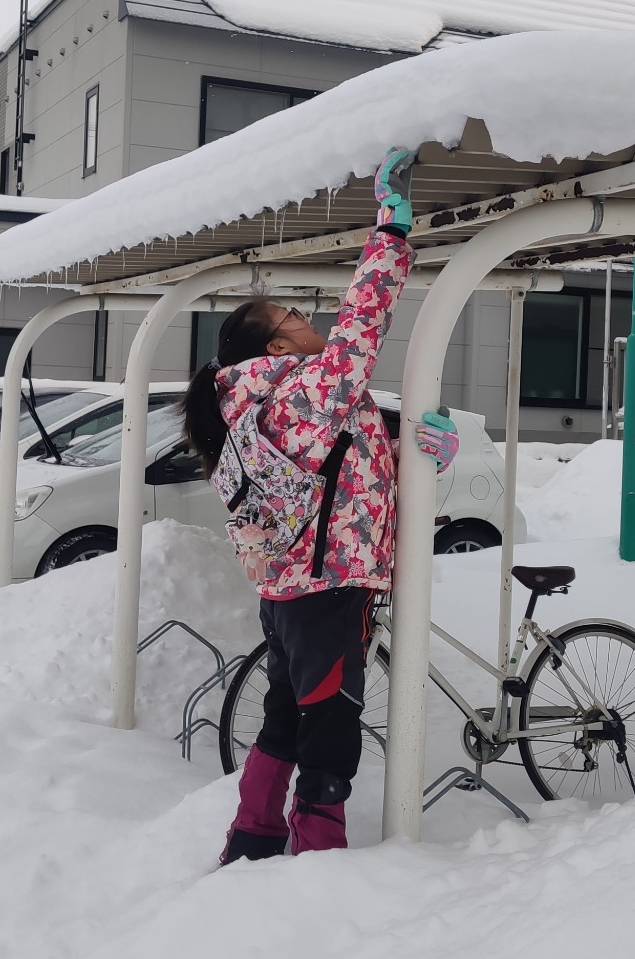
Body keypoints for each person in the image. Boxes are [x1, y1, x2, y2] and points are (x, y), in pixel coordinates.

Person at [181, 147, 459, 862]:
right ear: (276, 342)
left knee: (285, 718)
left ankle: (254, 836)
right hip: (328, 590)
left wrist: (418, 452)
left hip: (292, 593)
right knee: (331, 727)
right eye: (297, 315)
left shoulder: (260, 409)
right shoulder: (295, 393)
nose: (311, 322)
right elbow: (361, 329)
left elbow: (338, 479)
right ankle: (316, 857)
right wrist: (390, 233)